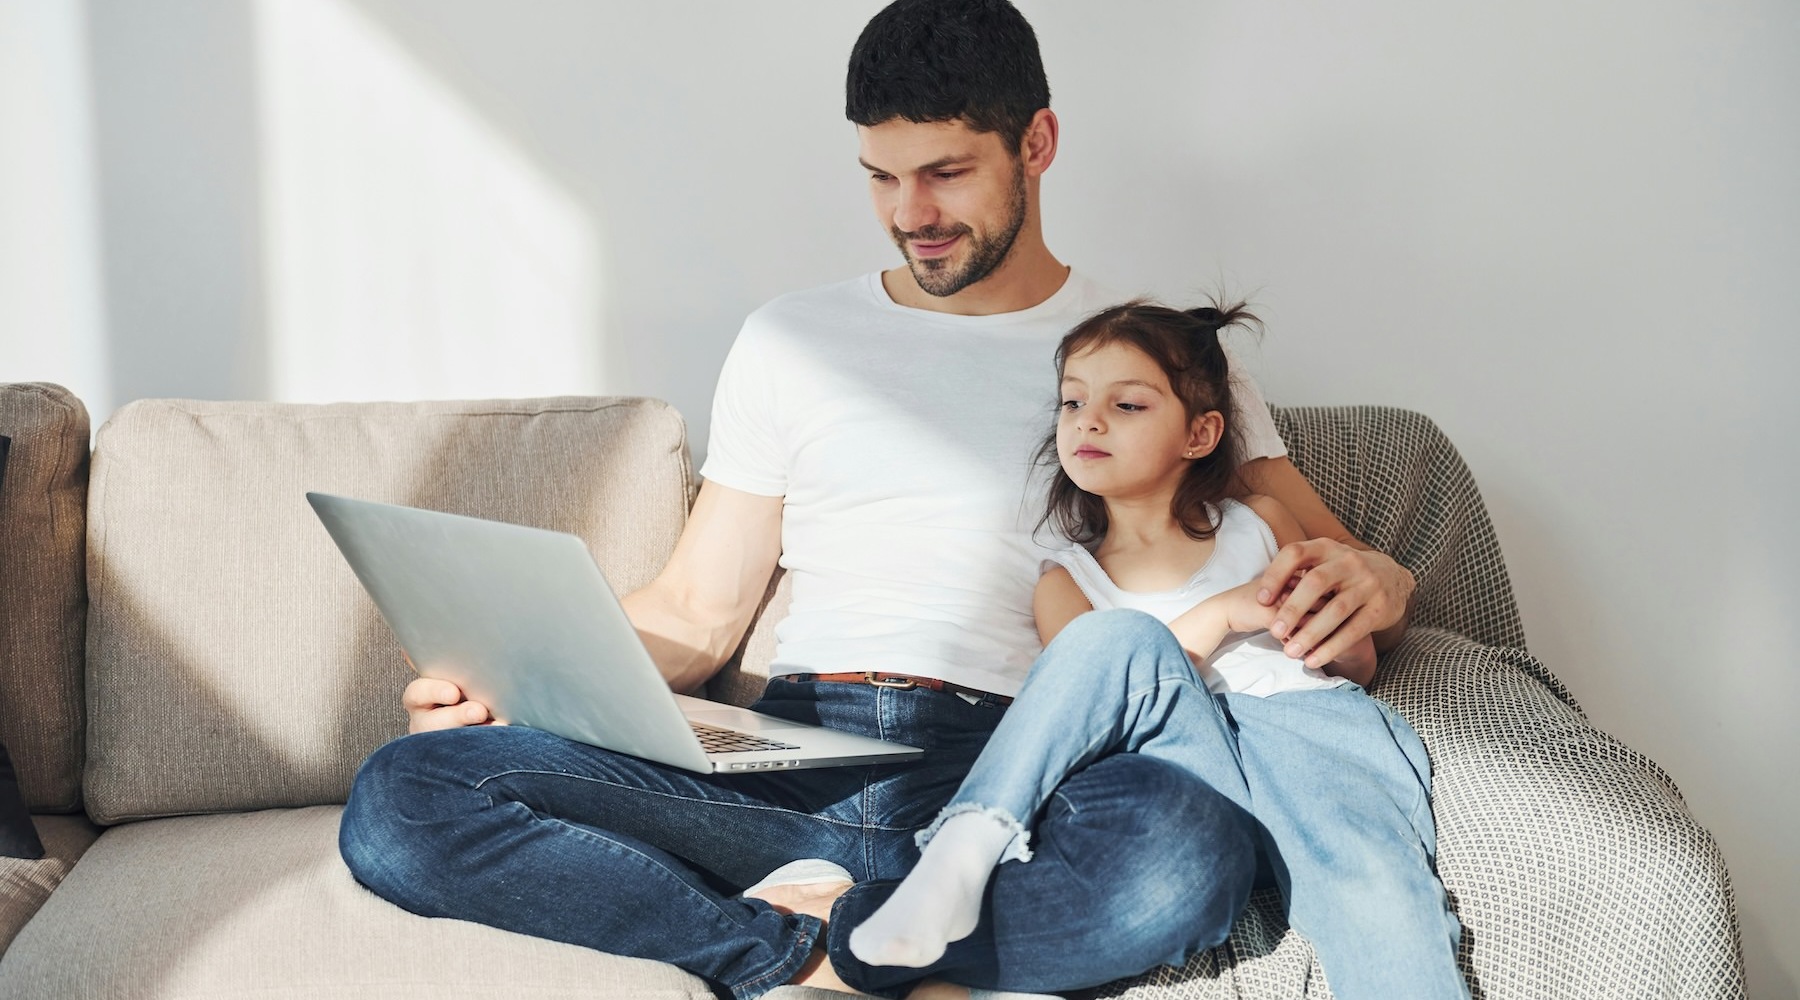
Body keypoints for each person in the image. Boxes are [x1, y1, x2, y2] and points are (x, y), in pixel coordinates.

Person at [337, 2, 1418, 997]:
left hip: (1012, 768)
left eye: (945, 174)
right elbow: (698, 614)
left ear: (1036, 145)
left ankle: (855, 932)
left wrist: (1383, 578)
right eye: (881, 177)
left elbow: (1340, 561)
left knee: (1190, 858)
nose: (913, 215)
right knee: (404, 796)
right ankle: (801, 955)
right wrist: (525, 673)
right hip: (793, 757)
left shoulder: (1148, 361)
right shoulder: (792, 340)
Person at [844, 301, 1468, 999]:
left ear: (1199, 434)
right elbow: (1100, 702)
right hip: (1191, 773)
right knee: (1117, 639)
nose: (1090, 420)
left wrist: (1342, 644)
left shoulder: (1258, 522)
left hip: (1305, 735)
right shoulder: (1065, 582)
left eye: (1129, 404)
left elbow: (1351, 661)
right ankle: (962, 851)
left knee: (1379, 894)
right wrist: (1225, 612)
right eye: (1072, 402)